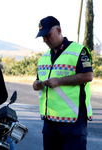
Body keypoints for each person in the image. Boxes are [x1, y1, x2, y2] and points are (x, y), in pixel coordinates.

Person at [33, 16, 93, 150]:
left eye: (47, 35)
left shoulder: (78, 51)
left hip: (72, 121)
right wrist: (36, 84)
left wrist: (59, 81)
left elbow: (88, 76)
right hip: (50, 121)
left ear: (59, 30)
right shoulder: (44, 57)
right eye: (42, 37)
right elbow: (38, 79)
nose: (45, 40)